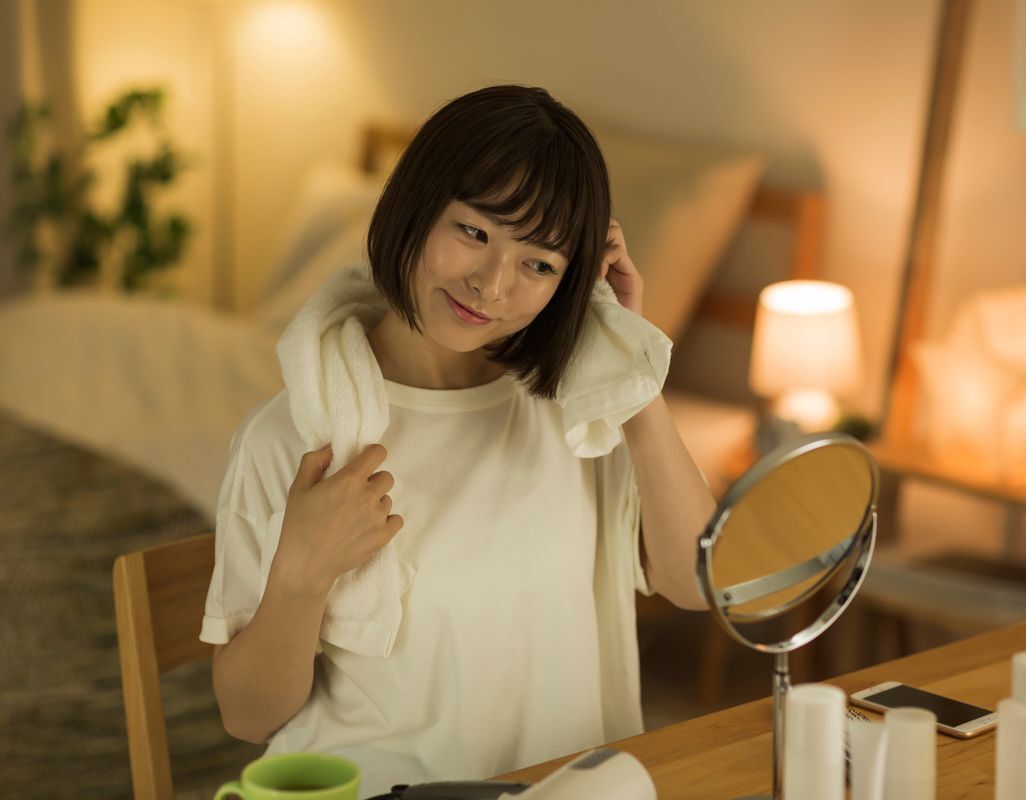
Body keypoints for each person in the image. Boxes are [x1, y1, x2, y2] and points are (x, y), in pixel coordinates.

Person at [200, 85, 715, 794]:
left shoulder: (578, 411)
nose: (491, 284)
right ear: (416, 206)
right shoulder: (299, 435)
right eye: (474, 232)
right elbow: (248, 717)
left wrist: (630, 363)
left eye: (539, 264)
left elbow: (696, 583)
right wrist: (300, 574)